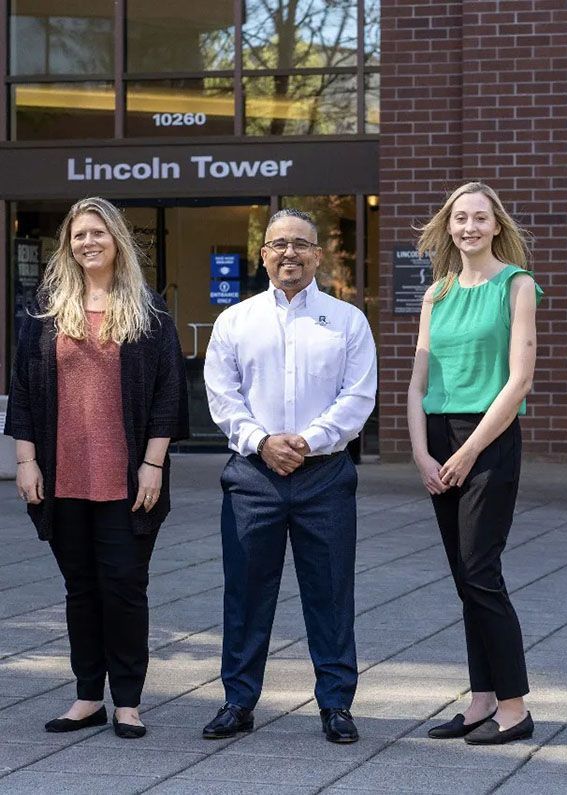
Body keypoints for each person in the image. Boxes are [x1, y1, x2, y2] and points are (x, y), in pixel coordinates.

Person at [4, 197, 189, 739]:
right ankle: (88, 695)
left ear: (117, 242)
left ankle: (127, 701)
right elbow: (24, 391)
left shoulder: (148, 311)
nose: (89, 242)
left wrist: (154, 463)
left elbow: (167, 394)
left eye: (98, 233)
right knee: (81, 589)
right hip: (62, 479)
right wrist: (25, 459)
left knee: (125, 587)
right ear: (69, 243)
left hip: (126, 481)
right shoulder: (45, 310)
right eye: (79, 234)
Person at [203, 208, 377, 743]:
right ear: (263, 255)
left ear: (317, 255)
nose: (288, 254)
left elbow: (359, 395)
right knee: (246, 593)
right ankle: (238, 701)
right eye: (278, 244)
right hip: (254, 476)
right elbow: (221, 395)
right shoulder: (235, 320)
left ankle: (335, 705)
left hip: (325, 475)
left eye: (300, 244)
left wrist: (309, 441)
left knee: (329, 593)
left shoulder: (348, 320)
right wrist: (263, 441)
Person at [407, 182, 543, 745]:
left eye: (479, 218)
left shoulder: (517, 286)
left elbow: (519, 382)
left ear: (496, 226)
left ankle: (513, 706)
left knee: (482, 572)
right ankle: (481, 698)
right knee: (466, 576)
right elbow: (417, 384)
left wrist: (466, 452)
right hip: (437, 440)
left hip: (488, 437)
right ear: (448, 226)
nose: (469, 227)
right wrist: (421, 453)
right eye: (460, 218)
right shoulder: (436, 294)